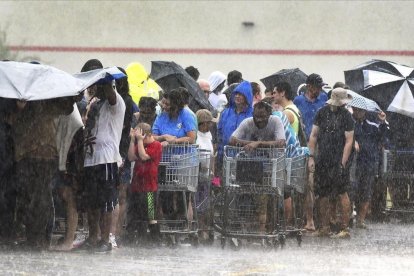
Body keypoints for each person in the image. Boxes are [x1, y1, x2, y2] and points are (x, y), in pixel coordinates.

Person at [78, 59, 126, 253]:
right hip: (90, 158)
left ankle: (105, 240)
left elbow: (110, 94)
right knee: (92, 202)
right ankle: (92, 237)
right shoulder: (94, 103)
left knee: (107, 201)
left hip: (106, 159)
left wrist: (104, 82)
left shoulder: (115, 102)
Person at [229, 101, 286, 234]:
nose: (259, 120)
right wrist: (251, 143)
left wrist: (259, 143)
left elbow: (281, 142)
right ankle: (247, 228)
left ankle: (263, 230)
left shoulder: (275, 121)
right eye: (256, 116)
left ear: (269, 115)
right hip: (248, 166)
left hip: (269, 167)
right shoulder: (248, 122)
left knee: (264, 198)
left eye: (263, 117)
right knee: (245, 198)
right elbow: (232, 139)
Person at [308, 88, 354, 238]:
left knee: (342, 192)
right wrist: (311, 156)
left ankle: (344, 228)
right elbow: (314, 135)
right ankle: (324, 227)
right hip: (323, 158)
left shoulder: (347, 116)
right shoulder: (322, 113)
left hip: (339, 159)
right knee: (322, 193)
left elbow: (349, 141)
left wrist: (343, 162)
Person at [293, 73, 328, 232]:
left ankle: (322, 219)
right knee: (307, 184)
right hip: (304, 145)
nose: (319, 90)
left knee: (320, 184)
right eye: (317, 88)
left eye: (320, 87)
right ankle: (309, 219)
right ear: (309, 86)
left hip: (323, 145)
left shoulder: (324, 99)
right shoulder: (298, 101)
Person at [108, 67, 135, 248]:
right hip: (118, 148)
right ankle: (114, 231)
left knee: (119, 193)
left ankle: (115, 231)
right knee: (119, 193)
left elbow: (122, 126)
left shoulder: (122, 101)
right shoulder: (126, 101)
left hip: (120, 149)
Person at [351, 107, 388, 229]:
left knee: (366, 192)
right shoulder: (351, 125)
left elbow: (382, 138)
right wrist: (353, 142)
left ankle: (361, 220)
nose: (357, 112)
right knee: (353, 190)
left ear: (365, 112)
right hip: (355, 164)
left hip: (369, 164)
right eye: (355, 110)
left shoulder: (373, 126)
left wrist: (382, 122)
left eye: (360, 110)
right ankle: (350, 217)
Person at [127, 123, 162, 245]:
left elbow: (143, 156)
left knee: (151, 215)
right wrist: (132, 141)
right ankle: (136, 238)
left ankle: (155, 239)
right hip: (137, 185)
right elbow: (131, 157)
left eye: (140, 137)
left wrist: (140, 141)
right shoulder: (140, 144)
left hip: (149, 187)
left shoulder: (156, 145)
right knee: (136, 213)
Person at [216, 81, 253, 186]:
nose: (237, 96)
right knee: (226, 188)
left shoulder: (252, 114)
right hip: (226, 156)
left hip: (246, 159)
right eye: (236, 94)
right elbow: (219, 133)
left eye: (241, 94)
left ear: (247, 96)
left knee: (243, 188)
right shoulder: (226, 113)